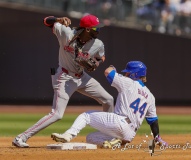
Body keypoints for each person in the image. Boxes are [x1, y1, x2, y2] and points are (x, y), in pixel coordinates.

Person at [12, 14, 114, 148]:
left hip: (82, 77)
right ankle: (21, 137)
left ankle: (107, 135)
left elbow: (101, 57)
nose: (98, 31)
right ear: (88, 29)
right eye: (96, 28)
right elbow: (46, 21)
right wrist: (58, 20)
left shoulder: (98, 44)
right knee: (57, 114)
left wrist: (95, 63)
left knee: (109, 100)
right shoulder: (66, 32)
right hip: (65, 77)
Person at [51, 61, 168, 148]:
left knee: (85, 116)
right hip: (129, 135)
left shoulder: (128, 82)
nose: (126, 74)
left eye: (128, 72)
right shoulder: (150, 96)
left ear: (134, 74)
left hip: (120, 121)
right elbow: (153, 120)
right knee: (91, 138)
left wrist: (112, 66)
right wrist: (157, 138)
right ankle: (115, 142)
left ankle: (69, 135)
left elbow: (108, 72)